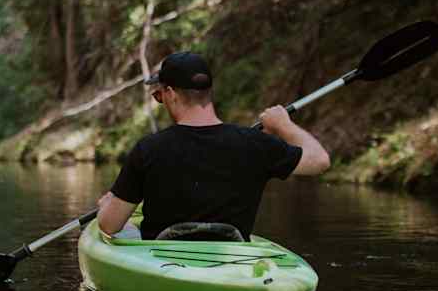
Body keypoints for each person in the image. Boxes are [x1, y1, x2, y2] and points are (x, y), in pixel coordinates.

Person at [96, 51, 330, 240]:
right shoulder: (255, 144)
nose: (161, 100)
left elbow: (108, 225)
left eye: (159, 96)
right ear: (207, 93)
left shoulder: (148, 149)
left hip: (163, 264)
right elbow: (320, 161)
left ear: (170, 94)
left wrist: (107, 205)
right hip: (232, 265)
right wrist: (284, 126)